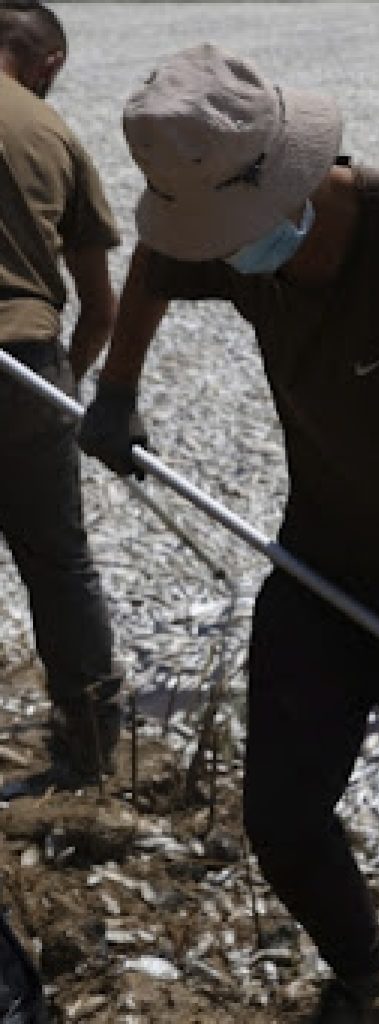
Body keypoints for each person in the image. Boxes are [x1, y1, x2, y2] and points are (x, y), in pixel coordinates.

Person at [80, 44, 379, 1024]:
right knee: (281, 815)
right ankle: (369, 971)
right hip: (322, 560)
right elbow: (157, 265)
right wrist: (117, 390)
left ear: (283, 176)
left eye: (238, 230)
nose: (233, 249)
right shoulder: (223, 235)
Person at [0, 0, 124, 781]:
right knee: (57, 560)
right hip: (28, 362)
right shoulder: (53, 134)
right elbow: (102, 304)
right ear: (47, 64)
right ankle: (88, 750)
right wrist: (64, 386)